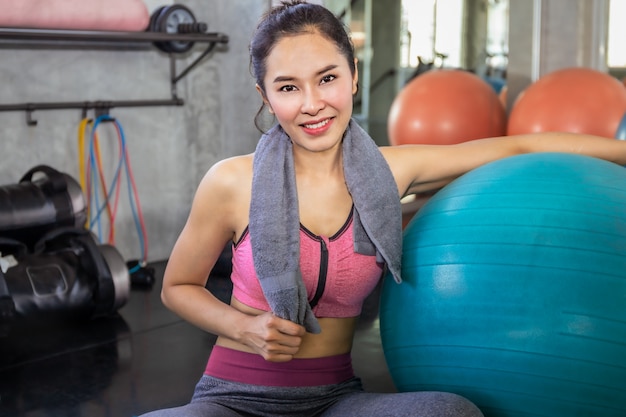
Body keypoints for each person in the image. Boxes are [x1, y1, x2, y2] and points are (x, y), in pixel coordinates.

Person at [139, 1, 626, 416]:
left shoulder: (392, 172)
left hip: (334, 399)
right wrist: (242, 325)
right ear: (266, 95)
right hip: (232, 400)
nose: (312, 104)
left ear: (352, 76)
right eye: (288, 87)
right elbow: (178, 287)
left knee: (450, 412)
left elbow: (518, 148)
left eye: (326, 78)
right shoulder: (231, 180)